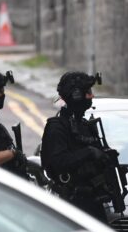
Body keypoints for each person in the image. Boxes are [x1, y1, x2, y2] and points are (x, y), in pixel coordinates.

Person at [41, 72, 110, 223]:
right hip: (71, 205)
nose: (91, 97)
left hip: (92, 202)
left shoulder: (85, 125)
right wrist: (89, 153)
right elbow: (56, 162)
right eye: (88, 93)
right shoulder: (57, 127)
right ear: (77, 95)